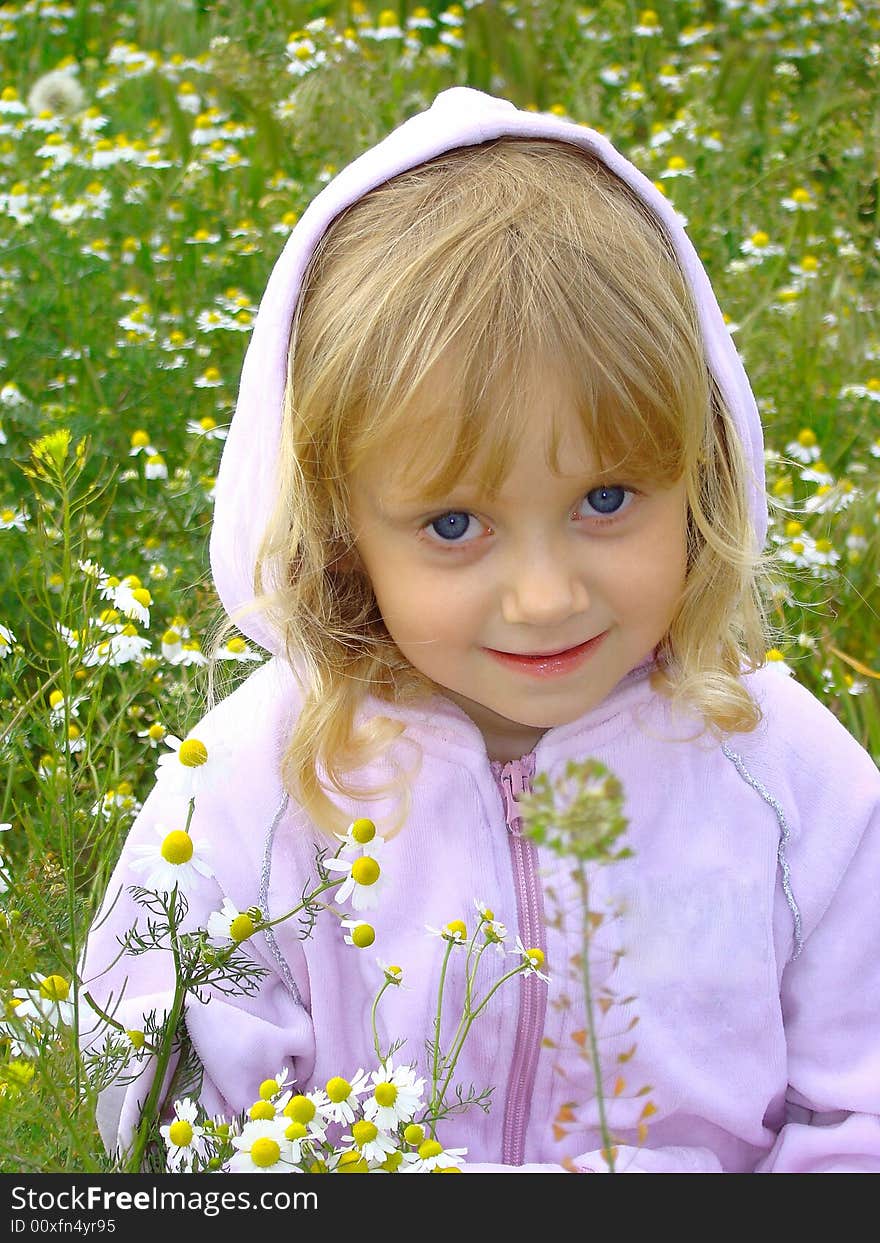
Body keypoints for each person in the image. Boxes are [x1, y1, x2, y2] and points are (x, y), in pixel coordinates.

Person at [81, 87, 880, 1173]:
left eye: (606, 500)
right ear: (342, 526)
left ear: (700, 473)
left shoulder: (787, 780)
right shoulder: (256, 779)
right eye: (454, 524)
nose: (545, 595)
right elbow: (167, 1081)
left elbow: (858, 1113)